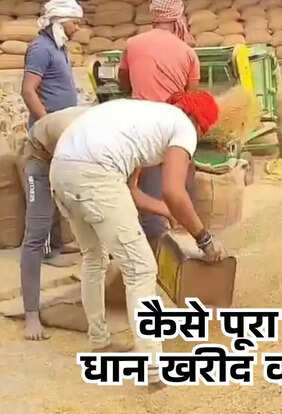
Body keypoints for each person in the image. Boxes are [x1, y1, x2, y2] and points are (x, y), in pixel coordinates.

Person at [50, 92, 226, 383]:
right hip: (95, 172)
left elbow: (132, 192)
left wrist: (165, 210)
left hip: (61, 169)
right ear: (200, 124)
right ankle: (154, 366)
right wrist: (204, 239)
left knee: (94, 259)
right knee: (141, 269)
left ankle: (99, 341)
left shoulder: (147, 119)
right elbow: (173, 191)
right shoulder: (183, 126)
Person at [19, 0, 84, 340]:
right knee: (35, 232)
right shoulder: (40, 49)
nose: (78, 28)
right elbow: (28, 91)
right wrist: (47, 124)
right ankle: (31, 315)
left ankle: (58, 249)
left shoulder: (60, 48)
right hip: (42, 151)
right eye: (75, 22)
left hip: (64, 146)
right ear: (59, 21)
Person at [117, 0, 202, 248]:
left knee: (146, 187)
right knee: (178, 186)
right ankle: (181, 236)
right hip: (173, 130)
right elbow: (191, 97)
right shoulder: (187, 52)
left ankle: (152, 238)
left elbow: (123, 83)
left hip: (139, 128)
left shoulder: (132, 44)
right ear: (177, 20)